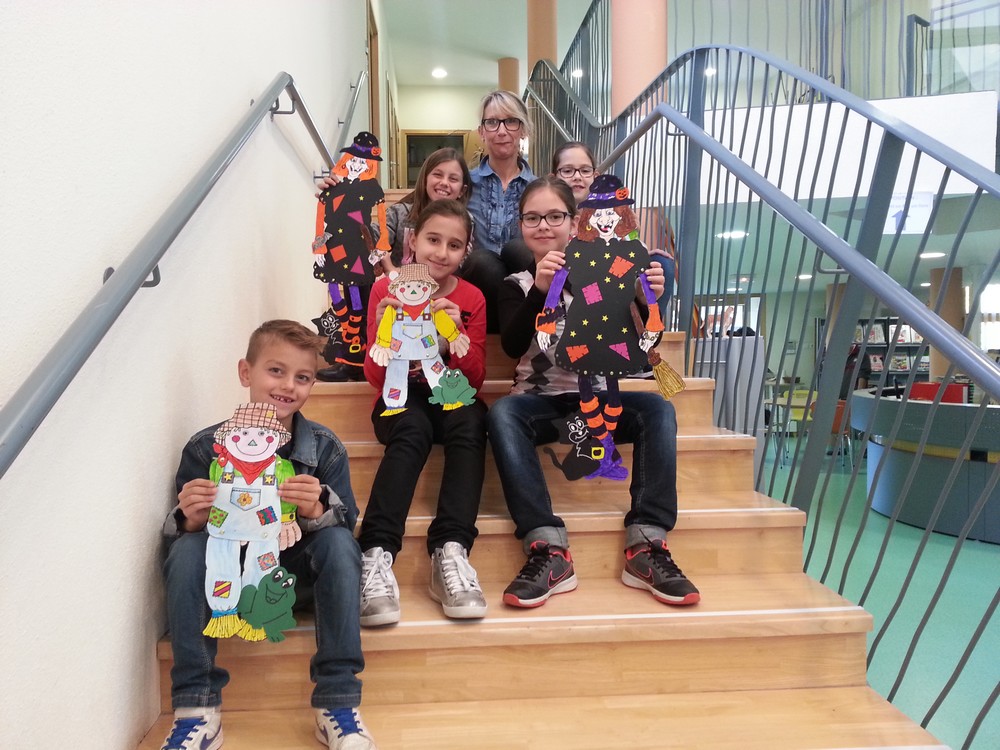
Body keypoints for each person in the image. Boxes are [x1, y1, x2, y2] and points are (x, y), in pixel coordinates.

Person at [160, 320, 377, 750]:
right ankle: (196, 710)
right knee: (186, 552)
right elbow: (180, 540)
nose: (288, 386)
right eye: (276, 371)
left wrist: (316, 510)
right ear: (246, 373)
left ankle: (337, 702)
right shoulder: (205, 449)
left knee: (338, 544)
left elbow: (347, 528)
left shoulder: (325, 448)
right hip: (225, 579)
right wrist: (190, 519)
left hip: (287, 578)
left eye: (303, 377)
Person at [488, 176, 700, 609]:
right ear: (521, 225)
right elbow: (511, 345)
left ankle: (647, 544)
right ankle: (547, 548)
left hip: (600, 403)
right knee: (503, 413)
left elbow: (645, 347)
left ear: (574, 222)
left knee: (657, 410)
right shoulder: (515, 283)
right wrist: (540, 292)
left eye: (555, 216)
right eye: (532, 217)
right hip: (539, 405)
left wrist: (647, 301)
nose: (543, 226)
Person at [358, 199, 489, 626]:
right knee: (411, 428)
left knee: (471, 419)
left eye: (454, 245)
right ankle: (375, 553)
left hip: (448, 388)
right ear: (413, 240)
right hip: (399, 394)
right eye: (433, 239)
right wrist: (384, 336)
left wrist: (456, 338)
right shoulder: (385, 289)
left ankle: (451, 549)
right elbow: (374, 377)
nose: (441, 252)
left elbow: (476, 380)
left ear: (465, 252)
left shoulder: (471, 297)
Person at [462, 90, 538, 331]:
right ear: (482, 131)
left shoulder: (539, 189)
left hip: (526, 290)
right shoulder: (464, 184)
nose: (502, 131)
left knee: (520, 249)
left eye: (511, 121)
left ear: (523, 130)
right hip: (479, 286)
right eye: (493, 122)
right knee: (483, 262)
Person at [368, 147, 473, 273]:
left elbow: (461, 265)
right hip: (397, 283)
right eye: (438, 175)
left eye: (453, 179)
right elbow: (368, 239)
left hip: (444, 284)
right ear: (425, 180)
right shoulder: (398, 214)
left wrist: (393, 271)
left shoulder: (466, 221)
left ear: (462, 190)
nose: (444, 182)